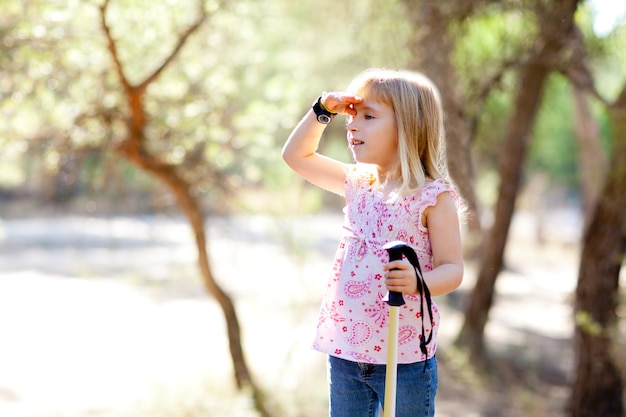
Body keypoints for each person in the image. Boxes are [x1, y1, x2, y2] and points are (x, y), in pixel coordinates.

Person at [282, 68, 464, 417]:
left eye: (368, 117)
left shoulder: (432, 197)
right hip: (346, 351)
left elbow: (453, 269)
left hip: (405, 356)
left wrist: (417, 282)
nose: (352, 126)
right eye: (352, 117)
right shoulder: (357, 183)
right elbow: (296, 157)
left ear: (407, 126)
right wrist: (322, 110)